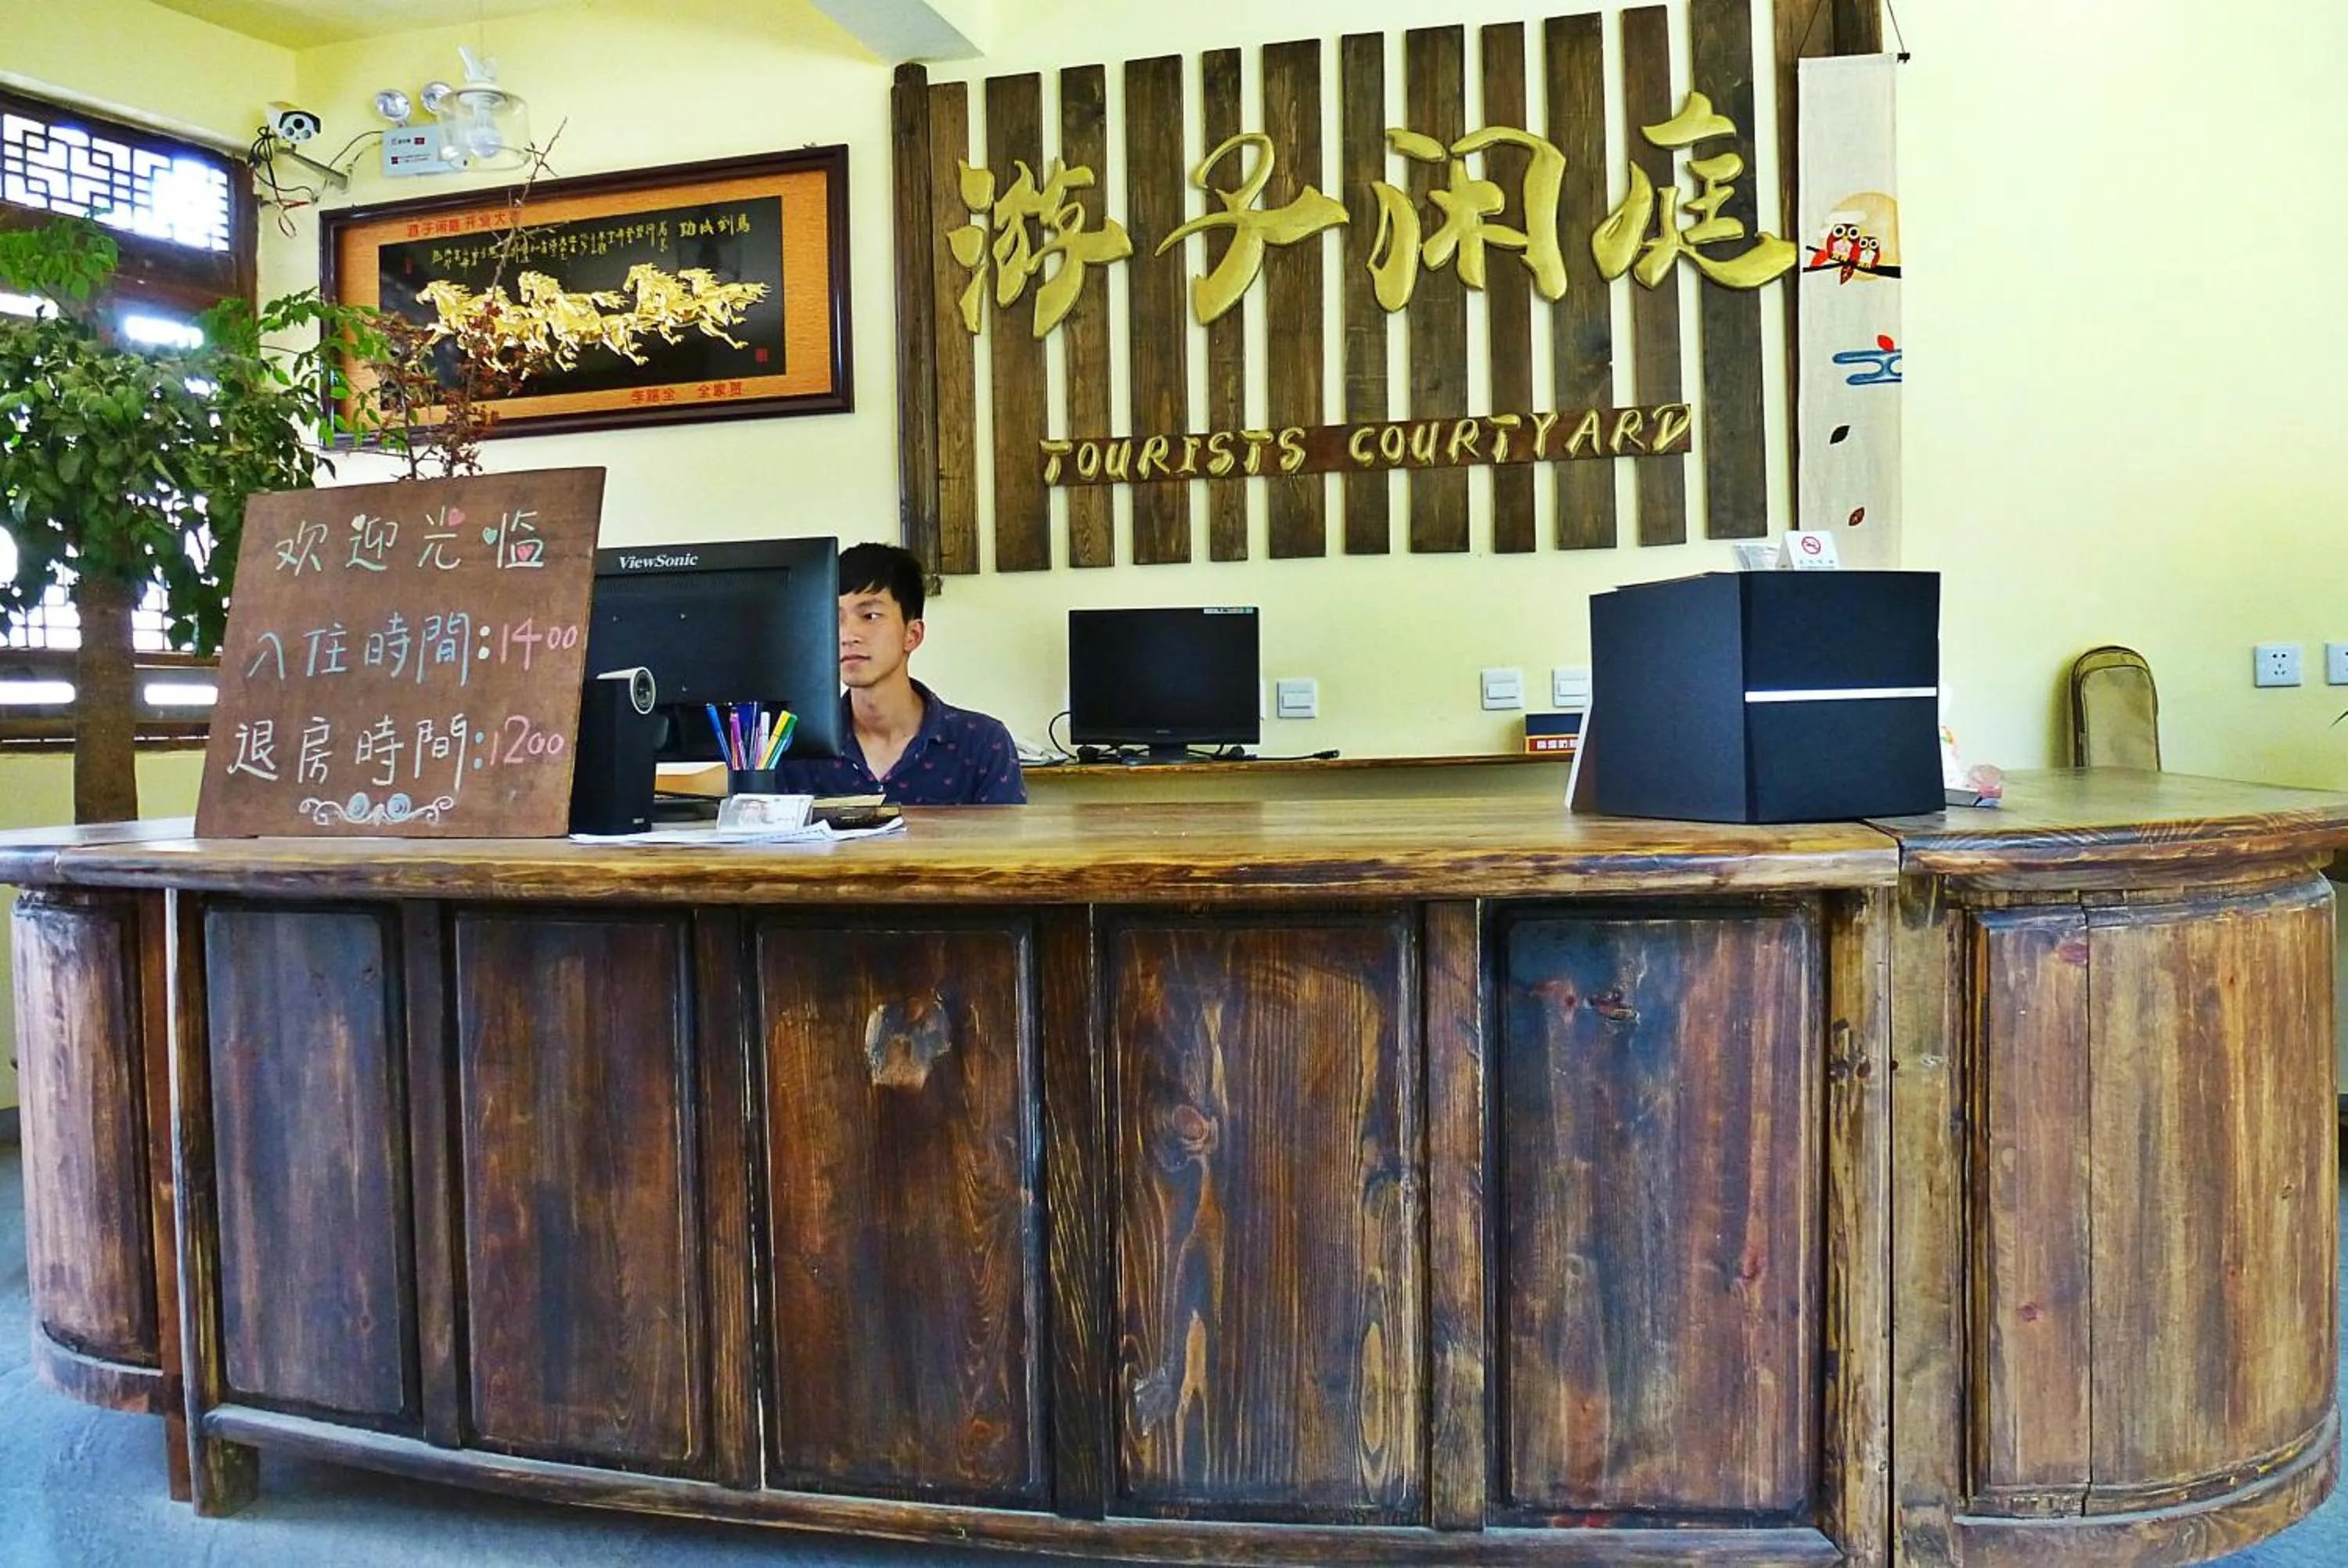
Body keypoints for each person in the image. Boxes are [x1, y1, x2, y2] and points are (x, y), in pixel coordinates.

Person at [768, 541, 1025, 805]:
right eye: (835, 617)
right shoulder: (795, 745)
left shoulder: (982, 744)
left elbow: (1008, 847)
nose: (847, 636)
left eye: (869, 616)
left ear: (912, 635)